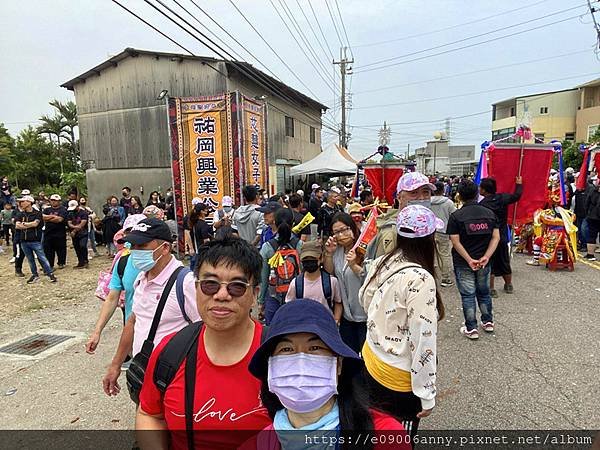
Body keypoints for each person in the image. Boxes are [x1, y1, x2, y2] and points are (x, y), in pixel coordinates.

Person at [136, 238, 271, 450]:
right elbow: (150, 413)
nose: (221, 295)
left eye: (237, 286)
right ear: (196, 288)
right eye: (210, 284)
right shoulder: (171, 351)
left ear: (254, 295)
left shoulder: (277, 354)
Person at [242, 299, 410, 450]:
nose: (301, 362)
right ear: (270, 367)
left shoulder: (386, 438)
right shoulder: (255, 445)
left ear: (338, 364)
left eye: (315, 348)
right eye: (287, 349)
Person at [359, 205, 444, 438]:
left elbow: (365, 300)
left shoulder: (385, 261)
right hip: (398, 379)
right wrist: (427, 394)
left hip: (371, 358)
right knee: (398, 437)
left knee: (376, 430)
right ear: (429, 238)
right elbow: (422, 337)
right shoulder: (421, 278)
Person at [102, 218, 200, 400]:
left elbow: (206, 332)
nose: (135, 252)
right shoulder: (141, 278)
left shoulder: (185, 283)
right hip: (144, 374)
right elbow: (132, 321)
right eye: (133, 246)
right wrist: (116, 364)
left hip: (175, 381)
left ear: (165, 248)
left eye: (142, 245)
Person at [85, 214, 146, 355]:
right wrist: (97, 332)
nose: (134, 239)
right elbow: (112, 298)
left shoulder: (163, 262)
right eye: (129, 233)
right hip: (134, 333)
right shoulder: (123, 261)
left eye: (138, 233)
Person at [447, 180, 500, 340]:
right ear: (477, 193)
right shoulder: (490, 214)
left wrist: (469, 259)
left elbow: (455, 242)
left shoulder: (456, 216)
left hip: (463, 262)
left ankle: (471, 327)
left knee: (468, 294)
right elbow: (495, 237)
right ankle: (488, 321)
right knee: (484, 292)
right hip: (484, 261)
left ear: (460, 196)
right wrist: (486, 256)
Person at [365, 172, 436, 260]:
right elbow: (384, 269)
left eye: (426, 192)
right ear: (399, 197)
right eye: (413, 193)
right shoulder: (393, 231)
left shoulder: (431, 222)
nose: (421, 198)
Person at [323, 212, 367, 354]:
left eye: (344, 229)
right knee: (349, 355)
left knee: (367, 358)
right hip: (346, 314)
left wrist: (354, 265)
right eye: (336, 232)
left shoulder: (364, 248)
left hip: (365, 314)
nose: (341, 235)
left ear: (352, 228)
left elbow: (370, 277)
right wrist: (329, 253)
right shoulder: (338, 250)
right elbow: (331, 273)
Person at [479, 176, 523, 296]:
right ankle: (508, 285)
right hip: (503, 235)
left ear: (483, 190)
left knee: (490, 262)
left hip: (489, 237)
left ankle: (491, 289)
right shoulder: (502, 198)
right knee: (504, 261)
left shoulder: (482, 204)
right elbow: (517, 196)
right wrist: (519, 184)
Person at [258, 208, 303, 324]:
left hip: (274, 297)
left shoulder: (267, 247)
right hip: (297, 297)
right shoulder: (300, 245)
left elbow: (263, 278)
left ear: (275, 223)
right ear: (293, 223)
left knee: (273, 334)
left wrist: (261, 301)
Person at [285, 240, 343, 323]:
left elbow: (338, 302)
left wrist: (336, 320)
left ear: (321, 259)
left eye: (312, 259)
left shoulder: (331, 282)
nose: (309, 263)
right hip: (304, 326)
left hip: (326, 325)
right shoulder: (295, 284)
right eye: (305, 260)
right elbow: (289, 306)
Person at [14, 195, 57, 284]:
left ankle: (50, 274)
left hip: (35, 240)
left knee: (42, 258)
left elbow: (35, 224)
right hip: (24, 241)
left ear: (29, 202)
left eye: (23, 201)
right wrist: (27, 224)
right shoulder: (20, 214)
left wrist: (24, 224)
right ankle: (35, 275)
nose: (21, 203)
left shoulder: (37, 213)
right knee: (30, 259)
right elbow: (17, 225)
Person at [430, 181, 457, 288]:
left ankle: (429, 275)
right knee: (444, 254)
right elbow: (454, 215)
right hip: (444, 231)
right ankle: (445, 278)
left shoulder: (428, 202)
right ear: (443, 190)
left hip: (430, 232)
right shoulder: (448, 202)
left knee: (430, 253)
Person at [42, 194, 68, 270]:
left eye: (55, 201)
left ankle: (61, 262)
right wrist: (53, 217)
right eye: (52, 200)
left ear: (59, 201)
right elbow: (42, 217)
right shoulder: (47, 209)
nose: (53, 202)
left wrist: (49, 218)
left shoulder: (63, 209)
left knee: (61, 248)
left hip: (60, 233)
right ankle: (50, 265)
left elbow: (60, 219)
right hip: (48, 232)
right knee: (48, 250)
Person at [188, 203, 213, 270]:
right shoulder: (203, 224)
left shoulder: (194, 223)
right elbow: (206, 240)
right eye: (206, 209)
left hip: (196, 251)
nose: (207, 211)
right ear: (202, 211)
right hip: (202, 253)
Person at [67, 200, 89, 269]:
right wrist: (75, 228)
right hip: (75, 234)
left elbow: (82, 224)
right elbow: (69, 223)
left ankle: (85, 260)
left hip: (83, 233)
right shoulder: (70, 213)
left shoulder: (84, 213)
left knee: (83, 246)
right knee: (77, 248)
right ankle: (80, 262)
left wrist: (74, 230)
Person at [584, 175, 600, 260]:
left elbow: (586, 203)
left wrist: (588, 213)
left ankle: (590, 255)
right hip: (594, 216)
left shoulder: (592, 191)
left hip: (592, 216)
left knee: (592, 235)